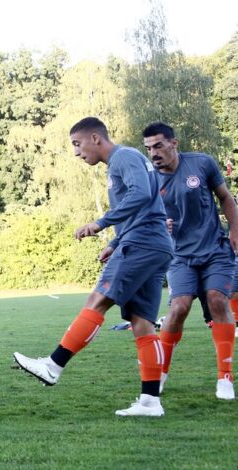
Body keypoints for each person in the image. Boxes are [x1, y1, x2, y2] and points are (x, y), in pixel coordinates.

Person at [13, 117, 173, 416]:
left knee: (97, 300)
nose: (76, 152)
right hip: (153, 243)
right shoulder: (126, 160)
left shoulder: (123, 157)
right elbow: (147, 206)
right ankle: (151, 402)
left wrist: (101, 223)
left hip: (142, 242)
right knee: (142, 323)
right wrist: (114, 243)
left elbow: (141, 195)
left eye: (78, 144)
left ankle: (53, 366)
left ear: (96, 138)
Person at [142, 122, 236, 400]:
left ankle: (225, 378)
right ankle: (160, 374)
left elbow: (226, 198)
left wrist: (235, 231)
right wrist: (160, 225)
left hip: (215, 249)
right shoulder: (149, 180)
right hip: (180, 255)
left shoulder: (202, 163)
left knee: (217, 300)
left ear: (174, 143)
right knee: (179, 308)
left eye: (158, 146)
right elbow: (143, 218)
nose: (153, 153)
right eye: (148, 149)